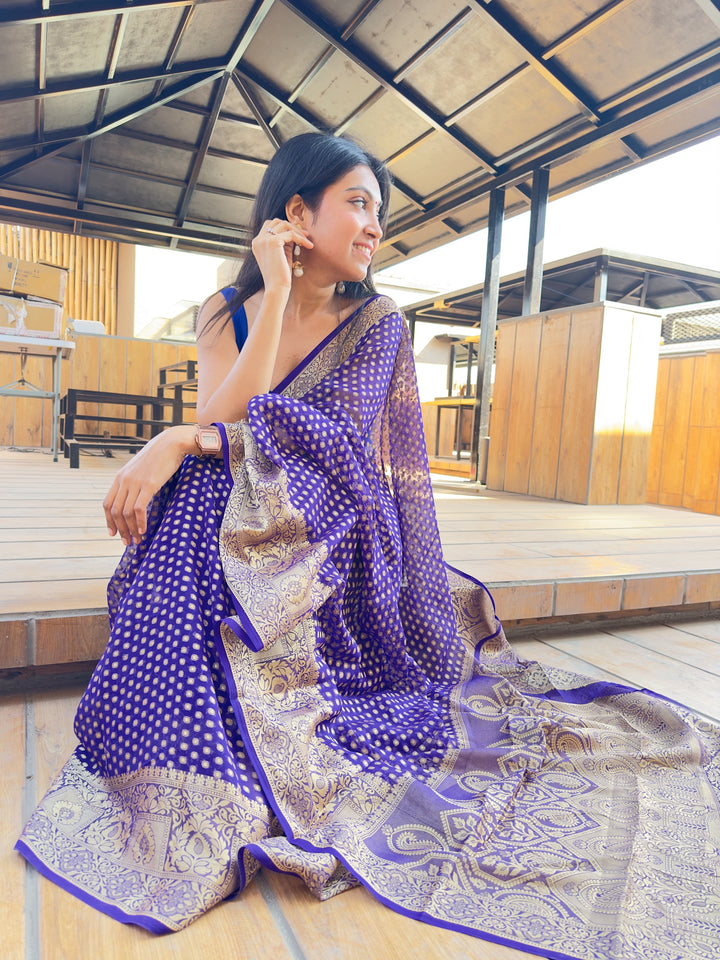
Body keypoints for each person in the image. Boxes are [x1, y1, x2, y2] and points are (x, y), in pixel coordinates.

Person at [16, 134, 720, 959]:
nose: (373, 226)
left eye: (378, 211)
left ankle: (210, 726)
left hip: (329, 532)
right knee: (211, 476)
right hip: (239, 511)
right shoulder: (226, 309)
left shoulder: (378, 323)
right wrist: (272, 298)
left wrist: (178, 440)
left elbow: (332, 448)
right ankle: (184, 736)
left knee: (212, 468)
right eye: (357, 202)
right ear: (295, 213)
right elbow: (224, 414)